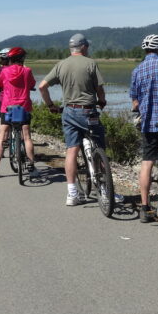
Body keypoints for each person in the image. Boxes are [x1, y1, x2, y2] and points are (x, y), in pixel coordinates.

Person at [37, 33, 106, 206]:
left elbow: (42, 86)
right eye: (87, 46)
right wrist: (102, 101)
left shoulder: (61, 65)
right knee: (100, 148)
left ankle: (72, 193)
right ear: (83, 47)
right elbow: (100, 89)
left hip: (69, 112)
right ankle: (105, 191)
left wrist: (51, 105)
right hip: (88, 111)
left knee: (71, 150)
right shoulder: (90, 63)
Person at [129, 34, 158, 223]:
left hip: (149, 123)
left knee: (147, 162)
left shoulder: (138, 70)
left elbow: (135, 101)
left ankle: (145, 207)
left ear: (145, 50)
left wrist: (138, 110)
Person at [0, 47, 39, 178]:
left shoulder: (5, 71)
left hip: (7, 107)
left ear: (10, 59)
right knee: (27, 136)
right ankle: (31, 167)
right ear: (22, 58)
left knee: (2, 138)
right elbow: (32, 84)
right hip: (23, 107)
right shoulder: (27, 71)